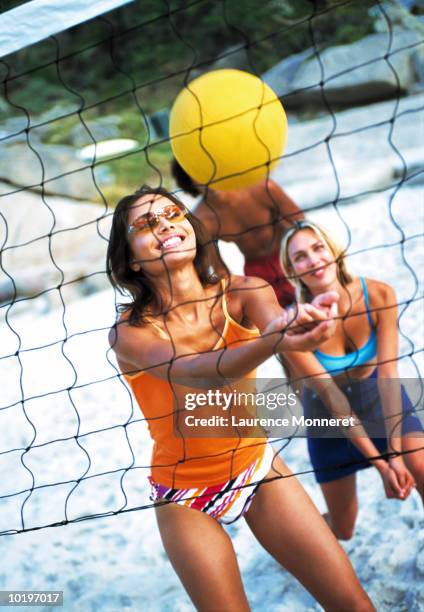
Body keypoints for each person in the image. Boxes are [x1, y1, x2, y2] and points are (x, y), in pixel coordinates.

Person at [106, 186, 375, 611]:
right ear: (132, 259)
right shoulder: (129, 332)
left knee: (355, 605)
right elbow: (197, 371)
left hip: (255, 464)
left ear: (191, 229)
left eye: (173, 213)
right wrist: (274, 340)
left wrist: (294, 326)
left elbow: (283, 328)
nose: (164, 225)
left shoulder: (245, 291)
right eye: (145, 223)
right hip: (184, 491)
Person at [280, 220, 424, 540]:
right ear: (292, 270)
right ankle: (296, 539)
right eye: (301, 256)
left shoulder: (378, 293)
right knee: (343, 529)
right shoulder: (294, 324)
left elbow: (388, 374)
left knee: (421, 467)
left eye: (318, 248)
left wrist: (395, 456)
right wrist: (382, 465)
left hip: (378, 394)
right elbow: (332, 399)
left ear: (334, 250)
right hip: (327, 415)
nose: (314, 259)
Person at [171, 158, 304, 307]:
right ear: (189, 181)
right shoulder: (203, 219)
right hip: (257, 274)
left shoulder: (261, 187)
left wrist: (302, 256)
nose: (207, 180)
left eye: (208, 171)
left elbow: (301, 224)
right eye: (198, 175)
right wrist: (234, 295)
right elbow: (219, 269)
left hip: (290, 260)